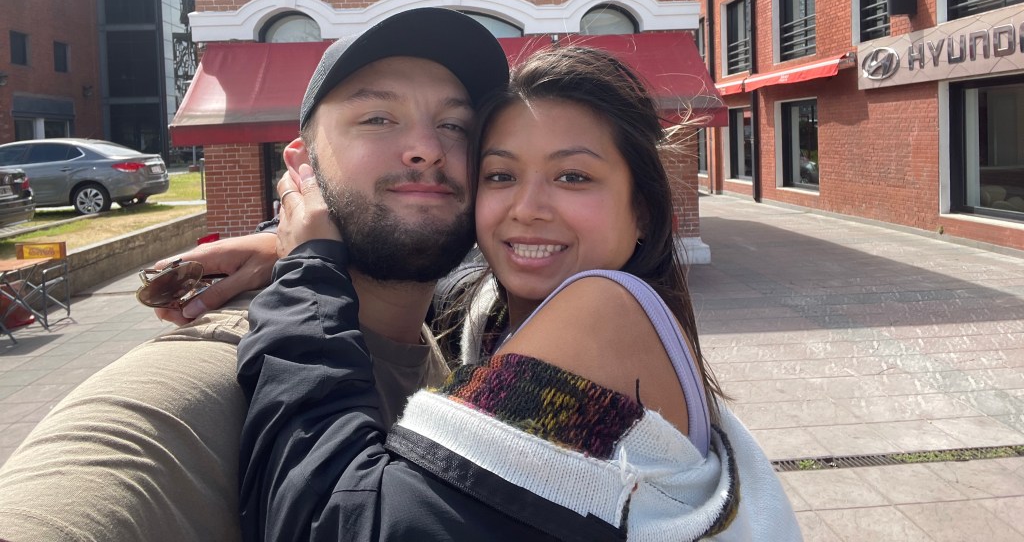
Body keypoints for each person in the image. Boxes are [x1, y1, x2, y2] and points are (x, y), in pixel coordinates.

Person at [237, 46, 800, 540]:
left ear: (643, 213)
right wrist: (307, 242)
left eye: (573, 177)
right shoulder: (496, 316)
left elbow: (341, 524)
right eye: (501, 176)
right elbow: (433, 287)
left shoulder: (604, 313)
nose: (527, 209)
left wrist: (308, 270)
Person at [0, 8, 510, 542]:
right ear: (302, 165)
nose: (427, 147)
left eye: (455, 125)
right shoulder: (215, 372)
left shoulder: (459, 333)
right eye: (377, 118)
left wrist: (292, 250)